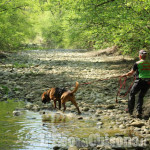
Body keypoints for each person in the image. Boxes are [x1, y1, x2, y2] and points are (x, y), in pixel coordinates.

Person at [121, 50, 150, 118]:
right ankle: (138, 111)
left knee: (132, 94)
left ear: (140, 56)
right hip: (148, 81)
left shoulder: (137, 63)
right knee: (141, 96)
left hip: (140, 80)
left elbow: (131, 73)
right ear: (146, 56)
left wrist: (125, 75)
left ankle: (130, 110)